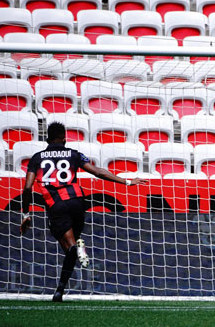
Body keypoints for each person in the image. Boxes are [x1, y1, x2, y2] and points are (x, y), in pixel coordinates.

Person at [20, 122, 147, 302]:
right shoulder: (73, 154)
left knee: (69, 248)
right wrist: (127, 182)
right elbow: (98, 172)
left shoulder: (37, 158)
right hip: (78, 201)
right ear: (64, 138)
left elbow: (27, 188)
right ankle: (74, 255)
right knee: (72, 245)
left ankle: (61, 286)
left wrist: (26, 214)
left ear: (47, 138)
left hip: (57, 205)